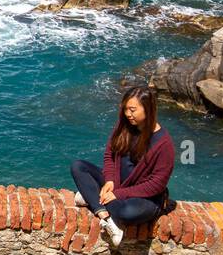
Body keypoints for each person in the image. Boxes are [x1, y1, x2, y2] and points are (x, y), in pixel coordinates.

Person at [69, 85, 174, 246]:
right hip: (116, 185)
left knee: (126, 213)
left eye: (132, 110)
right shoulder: (124, 125)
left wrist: (118, 194)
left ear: (148, 109)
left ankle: (92, 196)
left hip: (145, 198)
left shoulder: (163, 143)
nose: (127, 114)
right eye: (125, 109)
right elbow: (109, 156)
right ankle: (104, 215)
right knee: (78, 166)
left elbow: (156, 185)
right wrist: (110, 181)